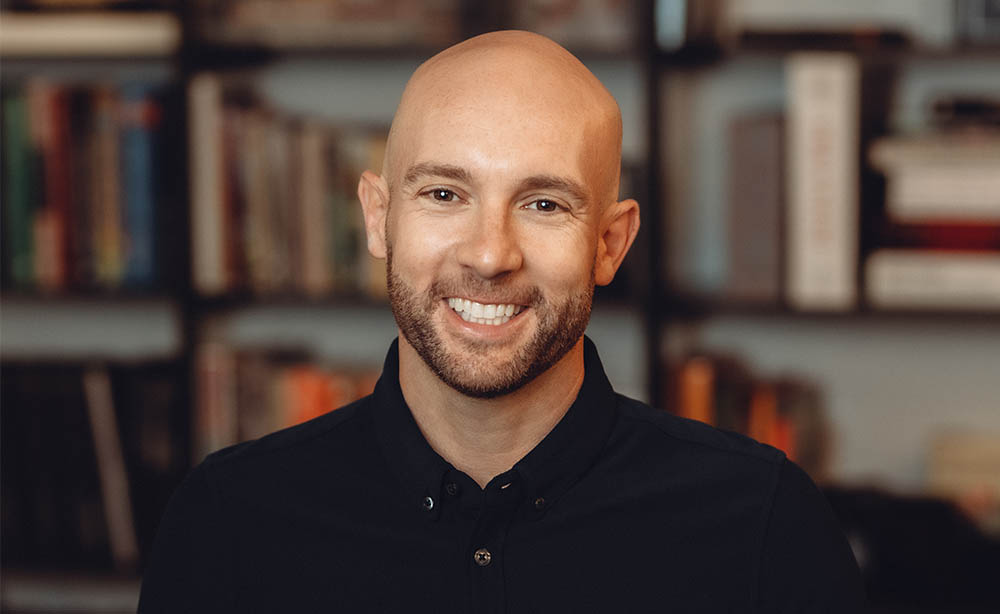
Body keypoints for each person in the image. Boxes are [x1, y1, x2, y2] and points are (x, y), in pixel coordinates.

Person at [138, 31, 864, 612]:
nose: (490, 255)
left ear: (609, 244)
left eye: (544, 204)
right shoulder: (229, 522)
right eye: (446, 193)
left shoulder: (766, 525)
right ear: (378, 217)